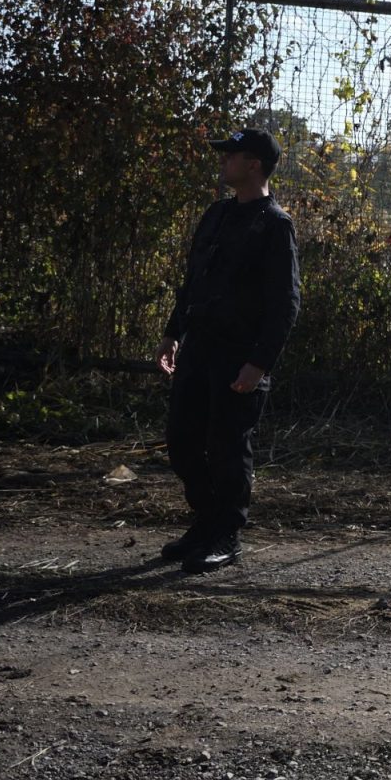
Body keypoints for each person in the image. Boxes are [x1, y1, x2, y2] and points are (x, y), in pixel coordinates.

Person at [153, 127, 301, 574]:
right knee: (182, 442)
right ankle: (205, 523)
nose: (222, 161)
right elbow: (194, 281)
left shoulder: (274, 225)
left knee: (227, 449)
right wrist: (172, 333)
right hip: (198, 350)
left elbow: (285, 304)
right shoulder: (216, 214)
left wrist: (259, 363)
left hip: (238, 357)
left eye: (230, 155)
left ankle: (226, 535)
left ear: (253, 165)